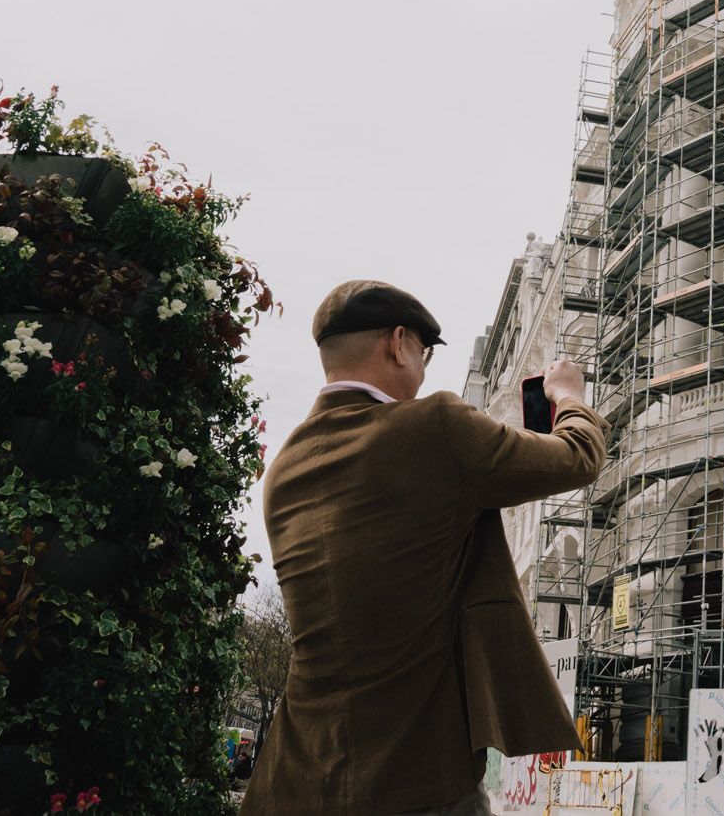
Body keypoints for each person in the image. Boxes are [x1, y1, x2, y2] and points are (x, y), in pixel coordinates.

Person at [240, 280, 608, 816]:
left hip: (296, 777)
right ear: (396, 342)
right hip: (416, 778)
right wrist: (568, 394)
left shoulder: (284, 470)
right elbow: (577, 456)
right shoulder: (435, 426)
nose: (424, 366)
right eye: (423, 351)